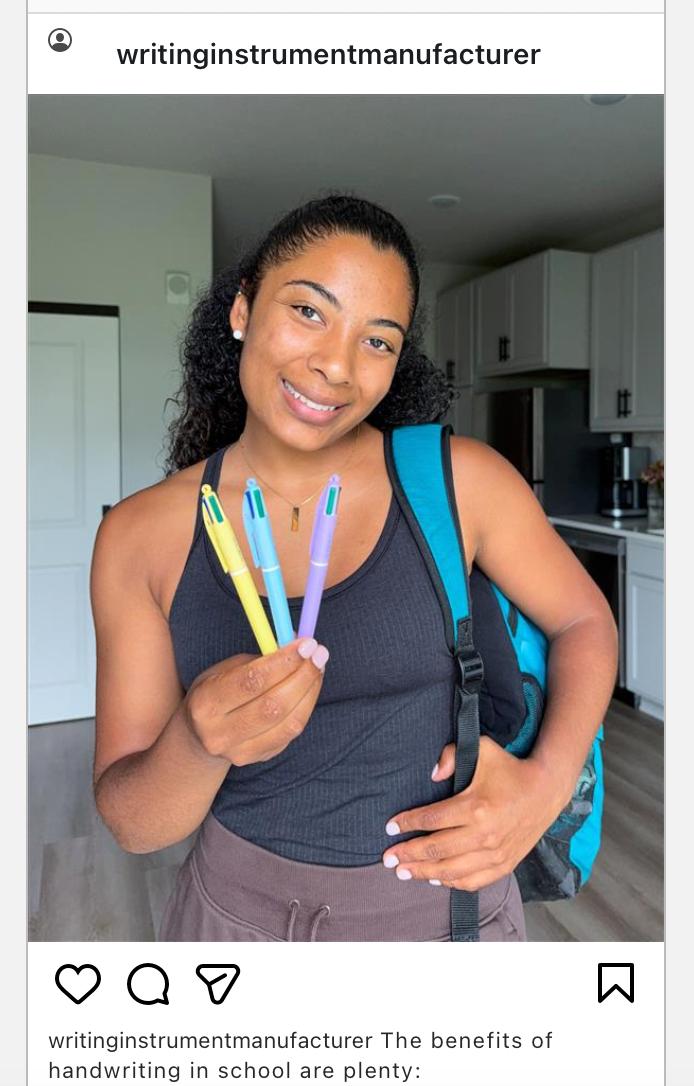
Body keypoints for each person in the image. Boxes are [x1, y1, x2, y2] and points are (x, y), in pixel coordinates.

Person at [90, 194, 618, 943]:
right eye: (308, 311)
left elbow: (585, 620)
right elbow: (134, 825)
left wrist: (544, 786)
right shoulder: (139, 536)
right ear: (242, 310)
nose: (335, 367)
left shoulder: (460, 482)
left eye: (377, 341)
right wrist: (197, 741)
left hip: (449, 920)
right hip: (234, 924)